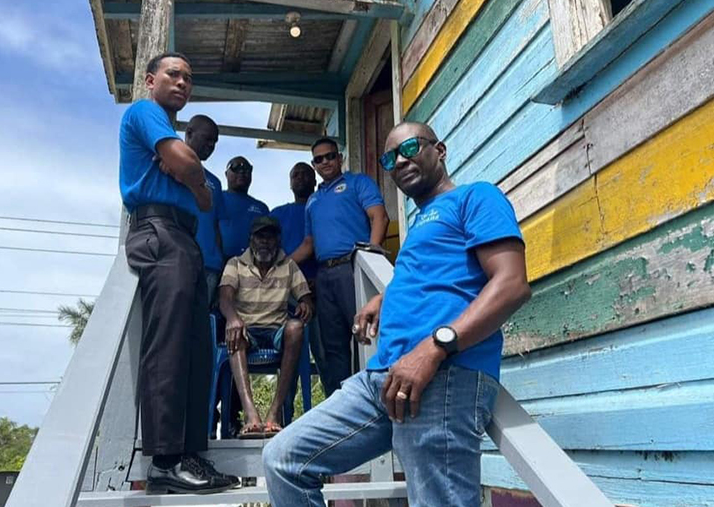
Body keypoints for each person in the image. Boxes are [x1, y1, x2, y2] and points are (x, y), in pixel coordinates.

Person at [263, 122, 532, 506]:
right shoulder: (420, 223)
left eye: (409, 147)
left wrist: (434, 348)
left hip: (442, 376)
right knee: (283, 459)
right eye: (390, 157)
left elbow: (511, 284)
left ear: (439, 150)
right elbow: (431, 279)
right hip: (381, 379)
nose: (400, 160)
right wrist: (384, 300)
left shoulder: (476, 197)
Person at [119, 51, 237, 495]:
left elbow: (206, 198)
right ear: (151, 80)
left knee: (197, 351)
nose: (183, 82)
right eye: (174, 74)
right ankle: (165, 460)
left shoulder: (169, 135)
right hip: (157, 230)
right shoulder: (145, 112)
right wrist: (188, 170)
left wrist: (186, 168)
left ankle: (191, 454)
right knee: (168, 344)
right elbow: (192, 172)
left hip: (185, 238)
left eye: (189, 76)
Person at [290, 138, 389, 397]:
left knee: (365, 334)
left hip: (352, 268)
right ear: (314, 165)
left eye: (330, 156)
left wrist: (372, 251)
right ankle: (343, 401)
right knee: (332, 345)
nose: (326, 162)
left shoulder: (358, 183)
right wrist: (282, 264)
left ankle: (375, 398)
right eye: (319, 159)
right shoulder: (312, 200)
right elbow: (309, 243)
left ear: (339, 158)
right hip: (324, 275)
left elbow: (379, 216)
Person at [219, 216, 314, 438]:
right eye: (260, 237)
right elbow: (225, 298)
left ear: (278, 240)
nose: (265, 242)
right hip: (247, 330)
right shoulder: (236, 264)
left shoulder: (288, 266)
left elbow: (307, 298)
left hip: (276, 331)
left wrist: (305, 304)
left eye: (270, 237)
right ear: (251, 240)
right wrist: (233, 319)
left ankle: (274, 414)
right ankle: (251, 415)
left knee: (296, 327)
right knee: (233, 331)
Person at [183, 115, 225, 307]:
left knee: (201, 326)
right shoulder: (171, 167)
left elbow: (216, 225)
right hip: (181, 261)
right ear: (189, 133)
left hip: (210, 266)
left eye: (214, 142)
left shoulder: (215, 183)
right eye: (207, 139)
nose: (211, 146)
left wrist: (220, 263)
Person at [270, 163, 318, 283]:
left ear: (315, 181)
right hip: (285, 280)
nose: (300, 177)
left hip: (320, 278)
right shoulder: (277, 213)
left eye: (305, 174)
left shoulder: (324, 208)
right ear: (290, 184)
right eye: (295, 175)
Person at [220, 156, 270, 259]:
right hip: (218, 265)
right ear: (226, 174)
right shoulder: (215, 198)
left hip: (251, 266)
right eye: (235, 167)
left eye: (246, 168)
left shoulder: (262, 208)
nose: (241, 172)